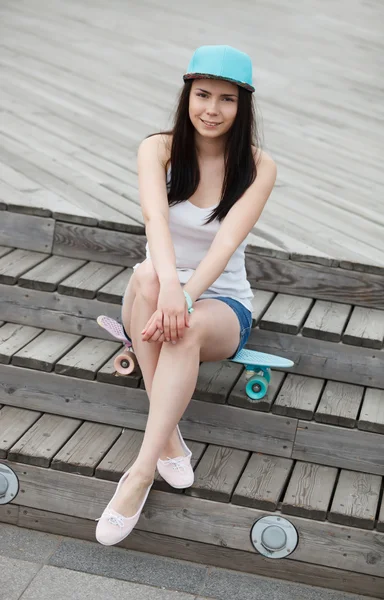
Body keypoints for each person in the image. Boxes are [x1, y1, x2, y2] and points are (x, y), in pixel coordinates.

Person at [96, 45, 277, 546]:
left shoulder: (259, 167)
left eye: (226, 99)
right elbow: (156, 221)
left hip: (222, 303)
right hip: (155, 288)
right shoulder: (157, 148)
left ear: (243, 107)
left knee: (186, 326)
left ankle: (139, 473)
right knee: (152, 278)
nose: (212, 110)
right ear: (187, 95)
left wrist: (189, 296)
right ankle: (168, 439)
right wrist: (173, 286)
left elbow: (225, 243)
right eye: (202, 95)